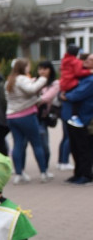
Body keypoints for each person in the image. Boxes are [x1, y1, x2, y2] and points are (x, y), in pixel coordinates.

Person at [5, 58, 50, 184]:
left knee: (18, 144)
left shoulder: (10, 80)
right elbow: (31, 90)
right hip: (26, 115)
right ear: (23, 67)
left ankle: (19, 173)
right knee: (36, 143)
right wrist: (42, 79)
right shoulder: (22, 79)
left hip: (11, 117)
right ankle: (43, 172)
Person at [62, 51, 93, 185]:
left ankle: (86, 175)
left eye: (90, 60)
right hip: (74, 117)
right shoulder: (81, 76)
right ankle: (78, 173)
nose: (86, 61)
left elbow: (76, 94)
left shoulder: (90, 79)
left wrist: (66, 95)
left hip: (84, 118)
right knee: (74, 146)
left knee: (83, 147)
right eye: (87, 59)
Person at [34, 61, 68, 172]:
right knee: (22, 144)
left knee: (44, 145)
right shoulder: (33, 81)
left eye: (45, 68)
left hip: (43, 117)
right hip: (30, 116)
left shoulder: (54, 83)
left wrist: (30, 100)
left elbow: (46, 98)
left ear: (50, 70)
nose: (42, 71)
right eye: (40, 69)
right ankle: (20, 171)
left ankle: (45, 169)